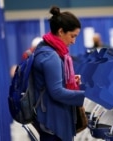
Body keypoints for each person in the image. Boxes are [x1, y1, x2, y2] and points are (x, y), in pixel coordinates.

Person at [31, 6, 85, 141]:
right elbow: (57, 92)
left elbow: (48, 81)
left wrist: (69, 79)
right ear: (61, 31)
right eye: (72, 36)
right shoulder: (51, 56)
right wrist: (85, 95)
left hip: (48, 118)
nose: (73, 41)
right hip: (54, 121)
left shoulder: (44, 47)